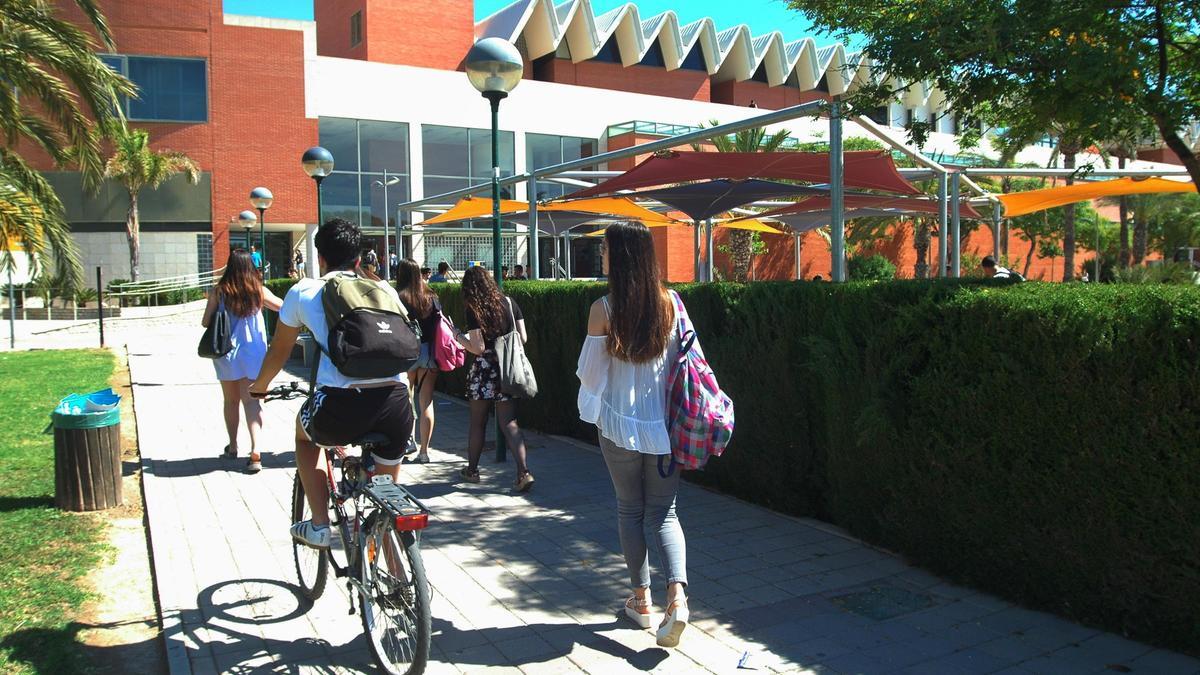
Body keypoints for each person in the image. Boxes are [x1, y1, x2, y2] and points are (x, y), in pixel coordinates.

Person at [250, 218, 414, 549]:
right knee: (385, 490)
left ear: (320, 258)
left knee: (304, 436)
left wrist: (259, 387)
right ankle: (395, 567)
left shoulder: (304, 291)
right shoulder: (385, 290)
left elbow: (279, 351)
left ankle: (320, 525)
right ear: (358, 260)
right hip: (397, 405)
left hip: (341, 406)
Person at [575, 221, 689, 648]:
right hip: (664, 429)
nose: (601, 255)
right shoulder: (671, 303)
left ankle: (640, 601)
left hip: (619, 426)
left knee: (629, 510)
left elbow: (590, 375)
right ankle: (676, 600)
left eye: (604, 249)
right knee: (665, 512)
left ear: (618, 256)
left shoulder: (603, 309)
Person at [202, 249, 283, 473]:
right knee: (252, 401)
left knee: (230, 401)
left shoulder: (219, 291)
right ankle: (256, 449)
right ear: (251, 267)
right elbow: (284, 307)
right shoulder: (259, 290)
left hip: (226, 352)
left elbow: (205, 322)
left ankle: (233, 446)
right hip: (254, 353)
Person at [456, 266, 534, 491]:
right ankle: (523, 472)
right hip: (507, 369)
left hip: (484, 371)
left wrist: (457, 336)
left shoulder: (474, 308)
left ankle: (472, 471)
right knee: (509, 422)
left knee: (477, 423)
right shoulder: (509, 302)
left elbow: (478, 348)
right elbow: (523, 338)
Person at [396, 258, 440, 464]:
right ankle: (424, 452)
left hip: (406, 353)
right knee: (426, 403)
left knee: (405, 400)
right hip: (428, 352)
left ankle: (406, 443)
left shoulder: (398, 297)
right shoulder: (431, 296)